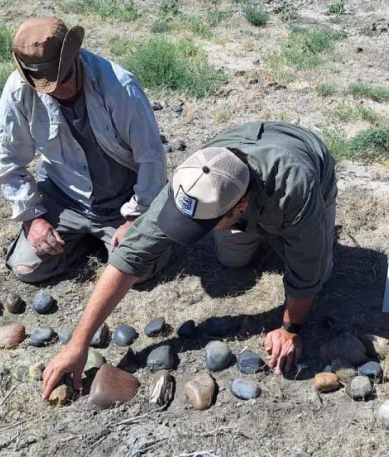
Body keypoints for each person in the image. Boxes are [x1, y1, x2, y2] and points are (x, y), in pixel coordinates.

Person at [41, 122, 337, 397]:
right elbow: (129, 256)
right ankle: (269, 232)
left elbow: (307, 270)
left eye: (202, 223)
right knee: (233, 260)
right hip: (241, 187)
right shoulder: (195, 176)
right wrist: (78, 343)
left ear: (240, 206)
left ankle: (288, 228)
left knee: (319, 273)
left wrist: (290, 329)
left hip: (308, 169)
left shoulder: (295, 186)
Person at [0, 17, 168, 284]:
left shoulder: (120, 87)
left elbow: (151, 158)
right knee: (27, 268)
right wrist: (32, 219)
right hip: (64, 198)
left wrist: (135, 218)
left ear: (76, 56)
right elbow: (8, 160)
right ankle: (85, 238)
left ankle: (99, 237)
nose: (57, 89)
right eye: (46, 85)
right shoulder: (19, 90)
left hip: (123, 201)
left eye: (63, 79)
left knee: (138, 271)